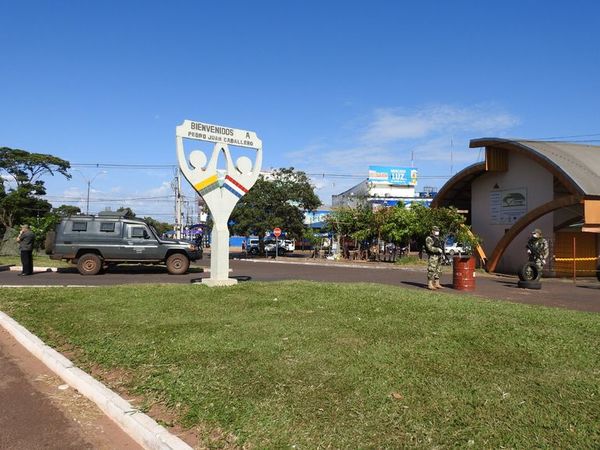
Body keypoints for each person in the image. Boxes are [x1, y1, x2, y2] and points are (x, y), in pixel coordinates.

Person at [424, 226, 444, 290]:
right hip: (433, 256)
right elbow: (429, 248)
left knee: (439, 269)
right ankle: (430, 284)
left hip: (439, 256)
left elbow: (441, 246)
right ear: (432, 231)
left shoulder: (438, 238)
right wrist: (437, 249)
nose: (437, 232)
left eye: (438, 231)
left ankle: (437, 283)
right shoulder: (429, 238)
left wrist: (442, 253)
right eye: (436, 230)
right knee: (432, 269)